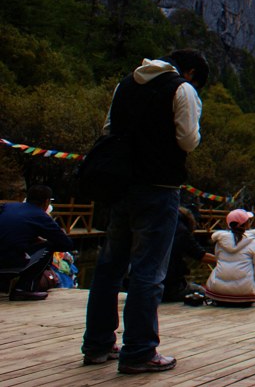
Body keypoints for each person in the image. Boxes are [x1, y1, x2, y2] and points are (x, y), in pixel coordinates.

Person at [82, 49, 208, 374]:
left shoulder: (125, 83)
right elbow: (188, 141)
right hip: (160, 188)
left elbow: (108, 128)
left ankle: (97, 345)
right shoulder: (182, 89)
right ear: (191, 72)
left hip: (122, 186)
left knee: (109, 267)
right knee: (148, 272)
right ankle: (139, 351)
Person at [0, 185, 74, 300]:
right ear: (46, 202)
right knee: (49, 246)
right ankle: (25, 288)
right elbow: (67, 244)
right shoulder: (40, 216)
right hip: (8, 262)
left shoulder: (8, 207)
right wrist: (40, 240)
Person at [204, 209, 255, 306]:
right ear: (246, 224)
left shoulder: (220, 242)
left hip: (218, 293)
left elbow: (217, 261)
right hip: (245, 295)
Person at [163, 206, 216, 303]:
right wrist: (225, 260)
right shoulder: (181, 231)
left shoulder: (158, 224)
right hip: (170, 287)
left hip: (147, 285)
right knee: (201, 291)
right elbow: (200, 255)